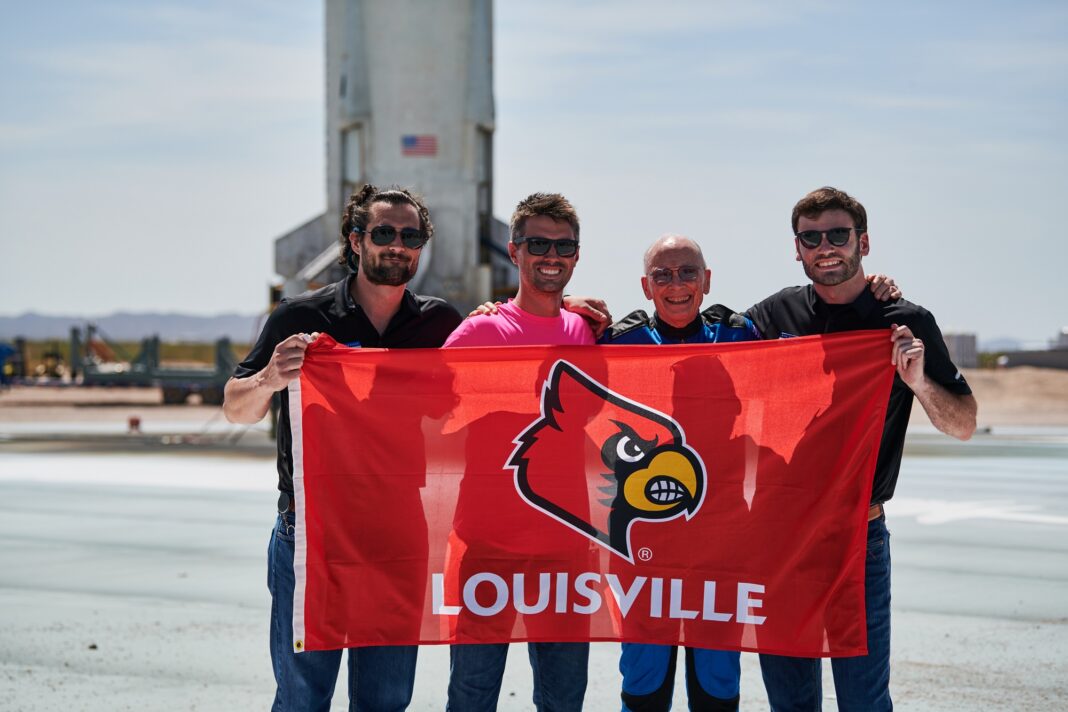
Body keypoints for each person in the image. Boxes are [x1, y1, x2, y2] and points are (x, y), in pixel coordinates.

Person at [223, 184, 462, 712]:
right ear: (355, 240)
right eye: (382, 233)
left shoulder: (441, 325)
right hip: (312, 537)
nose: (396, 245)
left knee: (386, 699)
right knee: (303, 699)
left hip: (397, 536)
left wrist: (568, 311)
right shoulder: (301, 317)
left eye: (410, 235)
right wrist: (268, 377)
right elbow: (236, 407)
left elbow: (496, 372)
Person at [749, 186, 977, 711]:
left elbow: (963, 423)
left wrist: (918, 382)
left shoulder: (904, 322)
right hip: (780, 537)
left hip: (859, 533)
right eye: (811, 237)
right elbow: (690, 344)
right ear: (797, 248)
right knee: (790, 703)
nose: (825, 246)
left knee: (864, 702)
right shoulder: (770, 317)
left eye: (837, 234)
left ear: (863, 242)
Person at [444, 192, 594, 712]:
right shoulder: (481, 330)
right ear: (514, 250)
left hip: (567, 548)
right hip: (488, 547)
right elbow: (419, 403)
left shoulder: (587, 331)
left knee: (563, 699)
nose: (550, 256)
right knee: (472, 696)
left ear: (577, 255)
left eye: (563, 246)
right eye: (537, 244)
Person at [599, 234, 758, 711]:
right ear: (646, 287)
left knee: (717, 677)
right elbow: (545, 351)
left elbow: (819, 355)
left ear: (706, 280)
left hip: (722, 536)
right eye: (662, 275)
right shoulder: (617, 342)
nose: (676, 285)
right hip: (643, 537)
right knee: (645, 677)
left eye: (688, 272)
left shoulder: (741, 335)